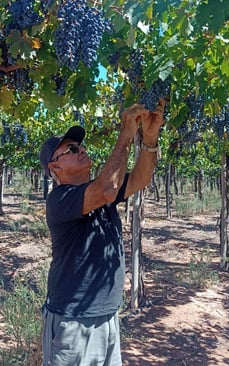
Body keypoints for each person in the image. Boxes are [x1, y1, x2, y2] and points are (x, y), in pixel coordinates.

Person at [39, 100, 165, 366]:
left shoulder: (100, 196)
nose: (80, 149)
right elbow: (107, 187)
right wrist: (126, 133)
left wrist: (150, 138)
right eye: (71, 149)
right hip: (73, 320)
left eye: (79, 145)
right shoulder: (60, 200)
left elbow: (140, 179)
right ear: (54, 167)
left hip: (107, 315)